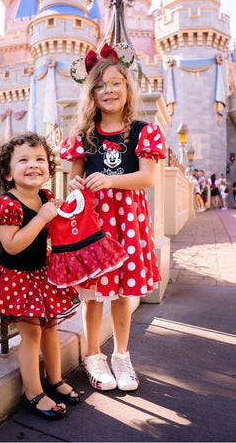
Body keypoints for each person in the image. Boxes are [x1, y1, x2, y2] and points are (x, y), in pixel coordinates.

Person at [60, 43, 167, 392]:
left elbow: (147, 178)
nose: (109, 90)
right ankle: (93, 354)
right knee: (91, 294)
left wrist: (110, 180)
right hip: (92, 225)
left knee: (121, 293)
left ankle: (121, 354)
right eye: (101, 85)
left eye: (116, 83)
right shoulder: (83, 137)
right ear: (91, 93)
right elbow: (75, 181)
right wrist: (78, 184)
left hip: (126, 221)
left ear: (127, 87)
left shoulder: (142, 131)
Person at [0, 133, 81, 420]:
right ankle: (33, 391)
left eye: (40, 159)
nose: (33, 165)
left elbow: (54, 231)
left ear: (49, 168)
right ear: (7, 172)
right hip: (15, 278)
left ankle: (54, 380)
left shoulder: (45, 196)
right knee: (31, 334)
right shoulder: (8, 203)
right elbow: (12, 245)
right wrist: (42, 217)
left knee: (50, 326)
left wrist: (63, 213)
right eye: (24, 160)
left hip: (40, 274)